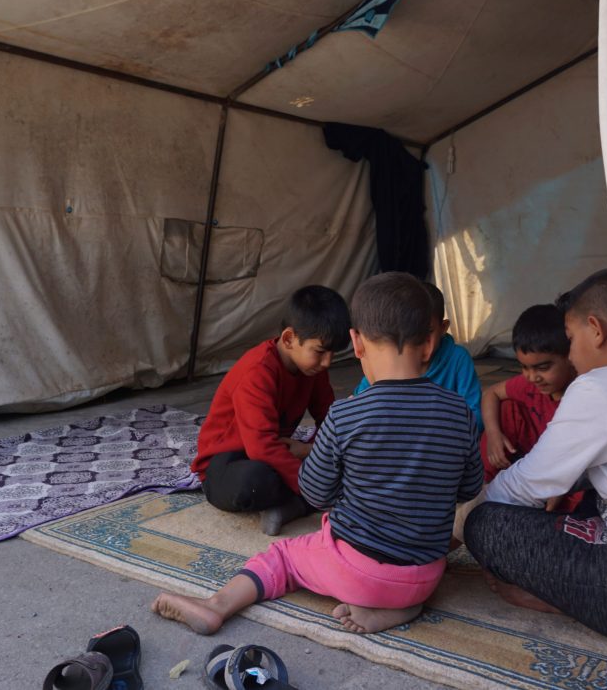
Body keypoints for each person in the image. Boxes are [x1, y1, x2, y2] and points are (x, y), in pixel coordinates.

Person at [154, 272, 484, 635]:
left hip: (359, 575)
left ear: (356, 344)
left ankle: (216, 606)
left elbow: (316, 493)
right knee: (398, 564)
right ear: (430, 343)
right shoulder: (461, 413)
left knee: (282, 558)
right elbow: (469, 488)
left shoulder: (346, 414)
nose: (326, 362)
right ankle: (403, 606)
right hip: (426, 577)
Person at [462, 268, 607, 651]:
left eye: (570, 340)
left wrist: (463, 520)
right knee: (580, 492)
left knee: (485, 524)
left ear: (596, 329)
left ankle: (563, 599)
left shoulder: (601, 387)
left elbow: (527, 483)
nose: (570, 354)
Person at [190, 285, 350, 536]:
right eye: (320, 352)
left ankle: (294, 506)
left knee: (345, 459)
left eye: (332, 353)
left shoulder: (313, 369)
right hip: (228, 464)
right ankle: (305, 501)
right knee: (254, 482)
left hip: (277, 453)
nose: (327, 362)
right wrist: (314, 485)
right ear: (289, 339)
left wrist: (313, 451)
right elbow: (261, 447)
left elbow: (331, 421)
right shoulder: (257, 371)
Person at [352, 281, 484, 438]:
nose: (417, 341)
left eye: (427, 332)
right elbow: (358, 404)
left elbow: (476, 416)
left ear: (443, 328)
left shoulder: (458, 359)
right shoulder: (388, 362)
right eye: (410, 333)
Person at [482, 303, 577, 477]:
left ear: (570, 355)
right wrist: (493, 434)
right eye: (524, 367)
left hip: (565, 470)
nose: (532, 377)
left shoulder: (583, 394)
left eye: (543, 368)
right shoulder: (529, 386)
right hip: (533, 457)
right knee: (506, 409)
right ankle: (484, 483)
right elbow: (491, 393)